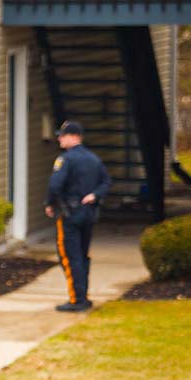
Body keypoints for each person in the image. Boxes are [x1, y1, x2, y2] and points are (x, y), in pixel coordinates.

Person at [45, 120, 111, 312]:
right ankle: (83, 296)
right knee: (82, 255)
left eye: (62, 135)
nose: (59, 139)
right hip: (89, 213)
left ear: (74, 136)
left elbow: (55, 186)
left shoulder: (65, 160)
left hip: (70, 213)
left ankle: (77, 299)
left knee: (69, 256)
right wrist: (95, 195)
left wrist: (50, 203)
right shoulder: (93, 159)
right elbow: (106, 181)